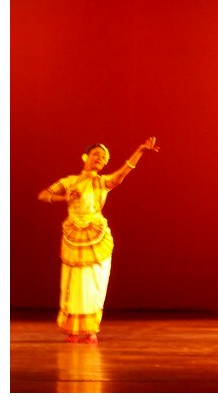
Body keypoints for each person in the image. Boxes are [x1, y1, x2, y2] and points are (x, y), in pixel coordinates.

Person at [37, 137, 160, 344]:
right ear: (85, 157)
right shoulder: (69, 182)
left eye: (103, 157)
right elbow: (43, 195)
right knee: (72, 281)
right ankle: (73, 330)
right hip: (73, 234)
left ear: (104, 164)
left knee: (94, 282)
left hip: (96, 235)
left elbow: (122, 174)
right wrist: (64, 198)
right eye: (96, 154)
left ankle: (91, 329)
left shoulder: (101, 182)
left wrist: (139, 151)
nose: (100, 158)